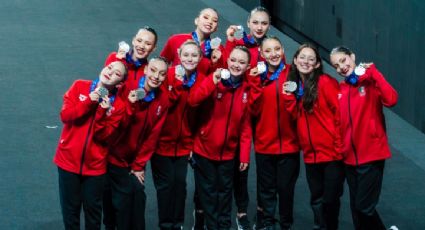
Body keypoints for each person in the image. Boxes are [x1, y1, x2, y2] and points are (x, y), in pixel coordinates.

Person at [330, 46, 398, 230]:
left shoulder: (370, 82)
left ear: (352, 56)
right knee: (357, 209)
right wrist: (341, 149)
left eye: (343, 60)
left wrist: (374, 73)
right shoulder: (341, 90)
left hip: (371, 156)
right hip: (349, 159)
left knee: (363, 207)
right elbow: (339, 124)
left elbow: (391, 99)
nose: (341, 67)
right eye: (336, 65)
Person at [53, 61, 128, 230]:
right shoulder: (80, 86)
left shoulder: (119, 106)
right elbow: (65, 115)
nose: (110, 72)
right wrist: (88, 101)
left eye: (116, 73)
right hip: (67, 162)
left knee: (93, 214)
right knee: (70, 213)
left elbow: (103, 136)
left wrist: (102, 112)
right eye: (110, 68)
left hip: (95, 168)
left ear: (120, 83)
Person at [187, 46, 252, 230]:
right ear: (227, 61)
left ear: (248, 66)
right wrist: (211, 82)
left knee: (224, 194)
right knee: (208, 194)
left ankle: (224, 226)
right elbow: (193, 100)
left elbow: (246, 127)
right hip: (204, 151)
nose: (236, 65)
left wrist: (245, 155)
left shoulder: (246, 89)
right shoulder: (214, 80)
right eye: (233, 60)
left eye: (241, 62)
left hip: (228, 154)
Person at [101, 57, 169, 230]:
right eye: (153, 70)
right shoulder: (126, 89)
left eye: (162, 74)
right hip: (112, 157)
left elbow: (152, 137)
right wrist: (130, 105)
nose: (156, 76)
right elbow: (116, 124)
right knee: (112, 201)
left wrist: (138, 165)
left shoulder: (163, 100)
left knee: (136, 197)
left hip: (133, 163)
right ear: (145, 70)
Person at [284, 44, 345, 230]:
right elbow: (296, 116)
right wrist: (288, 97)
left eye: (311, 59)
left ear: (317, 64)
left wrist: (338, 147)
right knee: (317, 199)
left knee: (330, 200)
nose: (306, 62)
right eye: (302, 57)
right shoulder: (296, 86)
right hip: (311, 155)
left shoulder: (325, 82)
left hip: (332, 154)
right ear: (295, 60)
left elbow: (340, 115)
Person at [152, 40, 205, 230]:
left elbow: (200, 116)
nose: (189, 59)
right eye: (186, 55)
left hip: (184, 145)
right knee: (165, 188)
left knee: (180, 186)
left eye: (194, 55)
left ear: (200, 58)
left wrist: (192, 144)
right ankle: (166, 225)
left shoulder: (202, 79)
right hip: (161, 144)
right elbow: (161, 105)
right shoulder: (168, 75)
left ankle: (178, 224)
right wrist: (177, 84)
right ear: (178, 55)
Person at [248, 36, 300, 230]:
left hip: (290, 146)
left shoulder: (293, 74)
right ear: (261, 54)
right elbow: (252, 110)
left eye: (277, 49)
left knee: (286, 191)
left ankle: (286, 225)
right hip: (264, 145)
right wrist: (254, 83)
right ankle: (268, 224)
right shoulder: (256, 76)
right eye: (268, 51)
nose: (273, 54)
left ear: (283, 50)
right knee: (266, 191)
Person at [160, 8, 224, 76]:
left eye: (214, 21)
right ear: (196, 21)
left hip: (200, 86)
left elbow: (215, 78)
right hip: (174, 84)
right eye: (206, 17)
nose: (210, 22)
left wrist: (215, 63)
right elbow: (161, 64)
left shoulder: (218, 49)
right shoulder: (175, 39)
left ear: (216, 28)